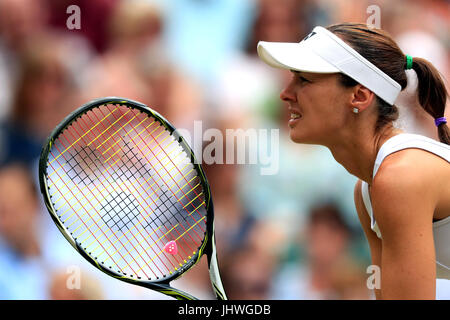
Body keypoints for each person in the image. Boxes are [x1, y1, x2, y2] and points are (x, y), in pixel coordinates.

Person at [257, 22, 450, 299]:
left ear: (359, 96)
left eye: (304, 80)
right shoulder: (366, 189)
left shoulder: (400, 178)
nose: (285, 93)